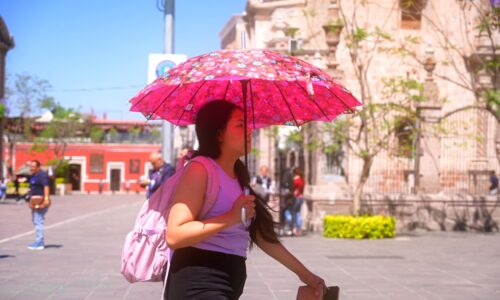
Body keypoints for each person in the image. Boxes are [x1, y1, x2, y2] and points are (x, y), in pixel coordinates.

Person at [164, 100, 325, 299]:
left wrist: (307, 276)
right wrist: (230, 217)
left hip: (229, 282)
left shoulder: (240, 178)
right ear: (219, 133)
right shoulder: (200, 169)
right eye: (240, 125)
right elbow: (174, 235)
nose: (249, 131)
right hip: (198, 280)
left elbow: (263, 238)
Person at [27, 160, 50, 250]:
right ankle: (38, 241)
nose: (31, 168)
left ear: (38, 167)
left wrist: (46, 199)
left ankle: (39, 242)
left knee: (38, 220)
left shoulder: (42, 175)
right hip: (34, 200)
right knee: (36, 220)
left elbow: (46, 187)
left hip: (40, 200)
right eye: (31, 166)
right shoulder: (34, 176)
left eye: (33, 166)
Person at [291, 167, 305, 236]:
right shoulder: (302, 179)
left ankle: (295, 229)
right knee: (298, 213)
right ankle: (299, 229)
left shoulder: (296, 179)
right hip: (301, 197)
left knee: (294, 213)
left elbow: (293, 188)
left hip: (296, 197)